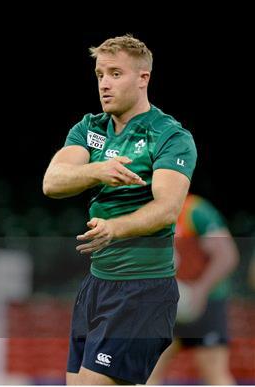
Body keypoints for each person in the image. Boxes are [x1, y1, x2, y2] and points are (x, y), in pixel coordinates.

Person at [42, 34, 197, 385]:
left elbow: (167, 209)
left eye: (115, 73)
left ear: (143, 78)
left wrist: (115, 228)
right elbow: (52, 182)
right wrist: (97, 170)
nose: (104, 84)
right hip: (97, 285)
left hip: (142, 289)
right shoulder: (90, 128)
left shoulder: (170, 135)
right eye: (100, 75)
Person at [147, 194, 239, 385]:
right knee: (146, 372)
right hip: (168, 303)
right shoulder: (146, 212)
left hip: (207, 301)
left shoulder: (195, 210)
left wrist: (200, 290)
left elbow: (227, 255)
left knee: (215, 373)